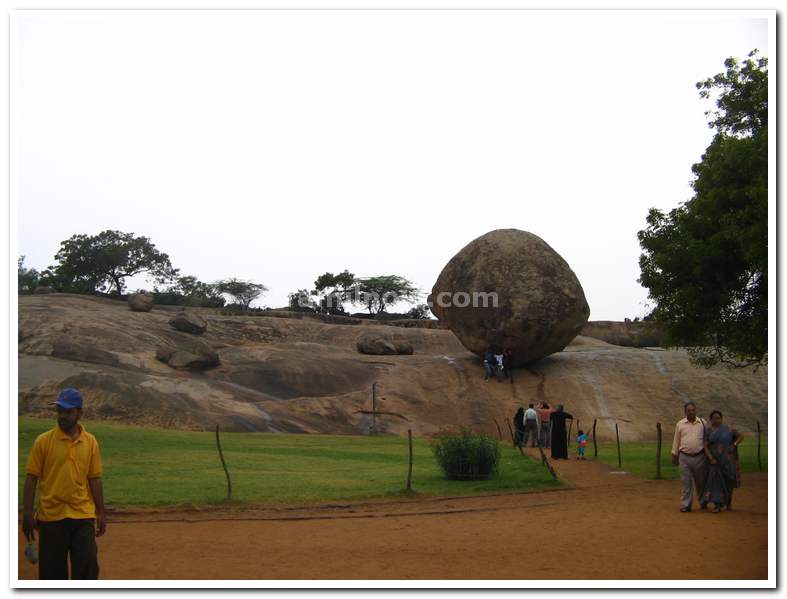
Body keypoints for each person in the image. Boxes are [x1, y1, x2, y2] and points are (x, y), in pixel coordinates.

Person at [22, 388, 106, 579]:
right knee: (52, 575)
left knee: (87, 568)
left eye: (68, 412)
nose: (62, 416)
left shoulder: (90, 442)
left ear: (79, 413)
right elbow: (31, 478)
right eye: (60, 411)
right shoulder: (43, 441)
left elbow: (95, 479)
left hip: (82, 515)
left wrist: (100, 512)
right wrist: (27, 513)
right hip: (51, 518)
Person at [701, 410, 743, 513]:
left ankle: (728, 503)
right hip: (715, 461)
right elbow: (705, 446)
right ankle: (718, 505)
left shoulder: (728, 429)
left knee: (728, 482)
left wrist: (734, 445)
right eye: (714, 418)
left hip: (728, 461)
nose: (716, 420)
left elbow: (740, 436)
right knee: (716, 483)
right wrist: (711, 458)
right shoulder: (709, 431)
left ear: (722, 419)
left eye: (718, 418)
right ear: (710, 420)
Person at [670, 401, 709, 513]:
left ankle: (703, 502)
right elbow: (676, 440)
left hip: (700, 457)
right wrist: (674, 454)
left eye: (693, 410)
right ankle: (686, 505)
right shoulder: (680, 424)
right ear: (685, 412)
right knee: (686, 482)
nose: (691, 412)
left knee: (701, 482)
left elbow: (707, 440)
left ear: (695, 411)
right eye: (688, 410)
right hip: (684, 457)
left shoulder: (703, 423)